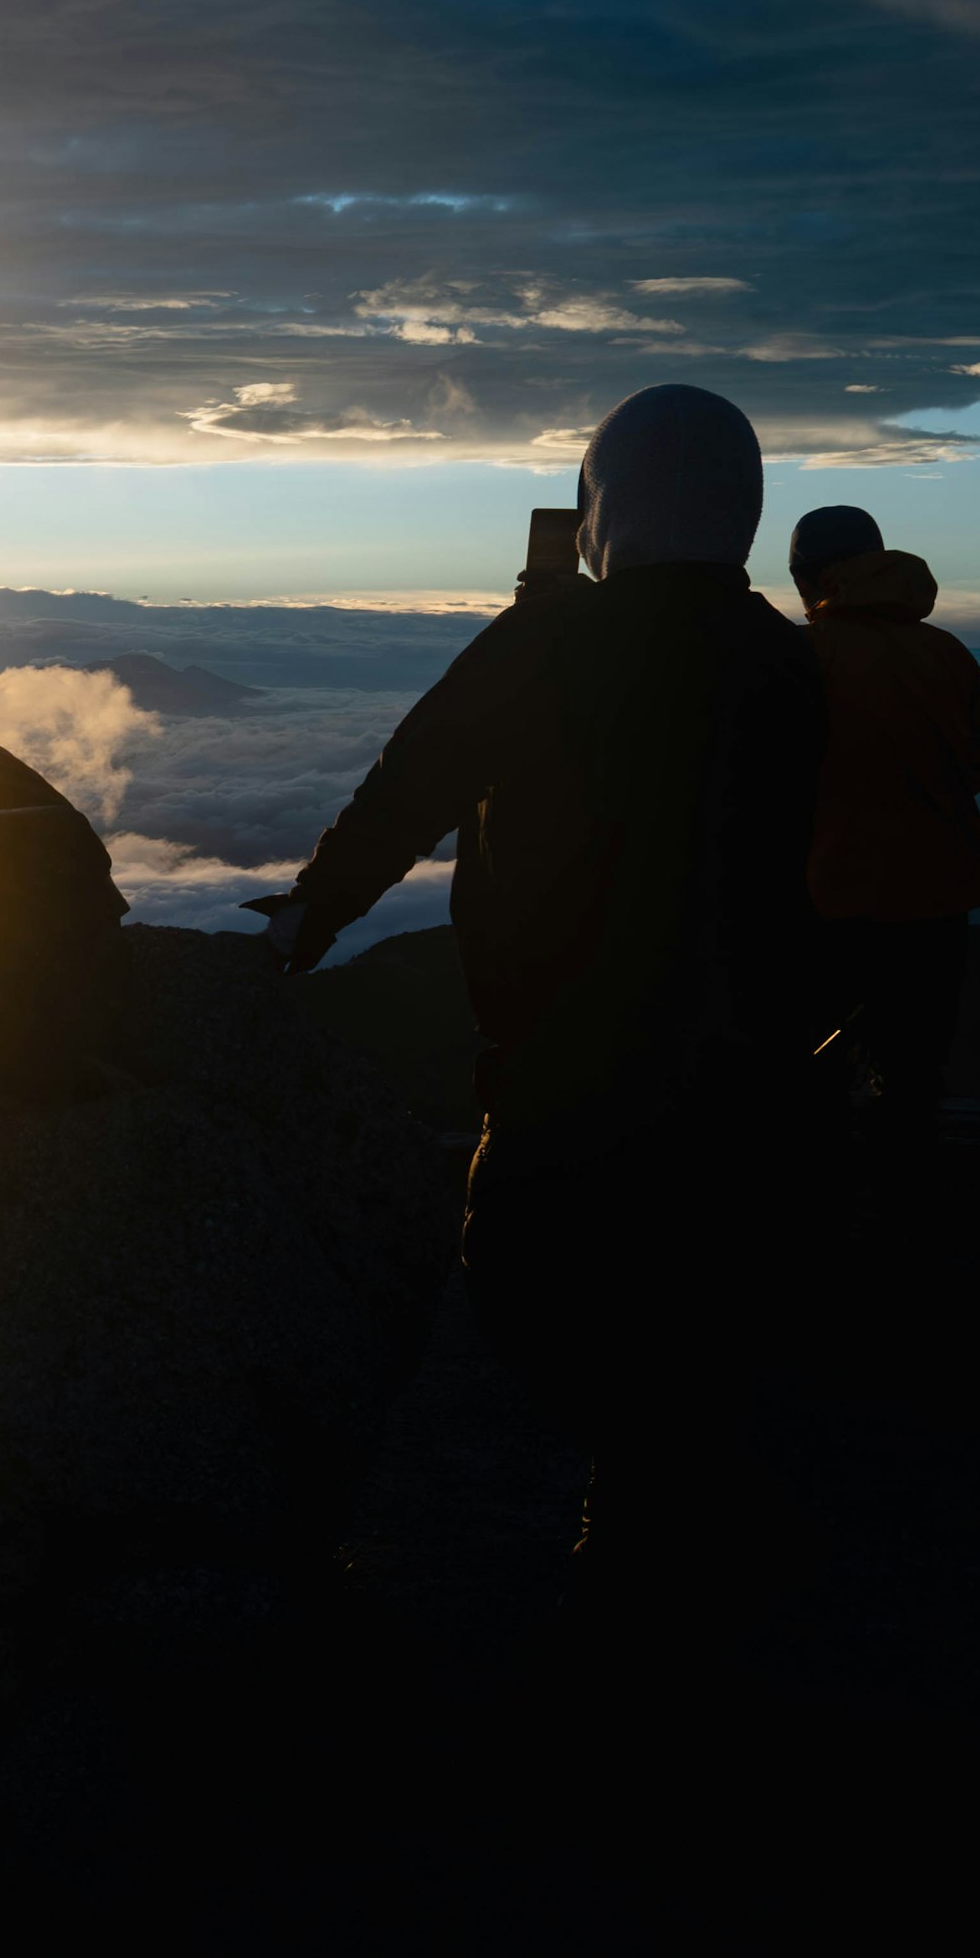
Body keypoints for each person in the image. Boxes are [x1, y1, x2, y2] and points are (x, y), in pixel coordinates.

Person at [267, 383, 826, 1639]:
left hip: (561, 1040)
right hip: (739, 1046)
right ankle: (654, 1518)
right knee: (693, 1297)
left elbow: (416, 776)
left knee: (528, 1278)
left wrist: (318, 908)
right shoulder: (784, 655)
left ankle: (635, 1520)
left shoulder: (546, 644)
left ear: (602, 505)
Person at [788, 504, 980, 1140]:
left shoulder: (804, 654)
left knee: (814, 1067)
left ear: (811, 578)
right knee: (913, 1074)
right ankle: (909, 1210)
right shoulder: (946, 652)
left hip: (829, 892)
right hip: (940, 895)